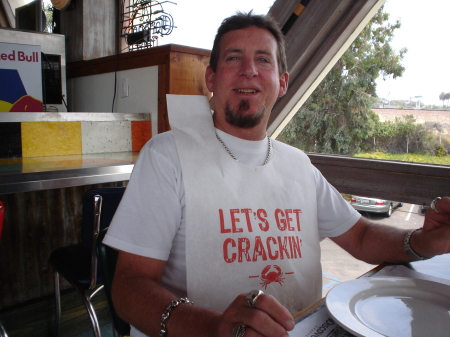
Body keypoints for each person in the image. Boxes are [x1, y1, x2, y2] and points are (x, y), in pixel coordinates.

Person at [103, 11, 450, 337]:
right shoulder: (166, 156)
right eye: (233, 57)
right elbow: (129, 286)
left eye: (263, 60)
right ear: (211, 77)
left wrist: (420, 242)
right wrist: (215, 328)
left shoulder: (298, 164)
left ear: (282, 83)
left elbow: (360, 237)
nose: (249, 70)